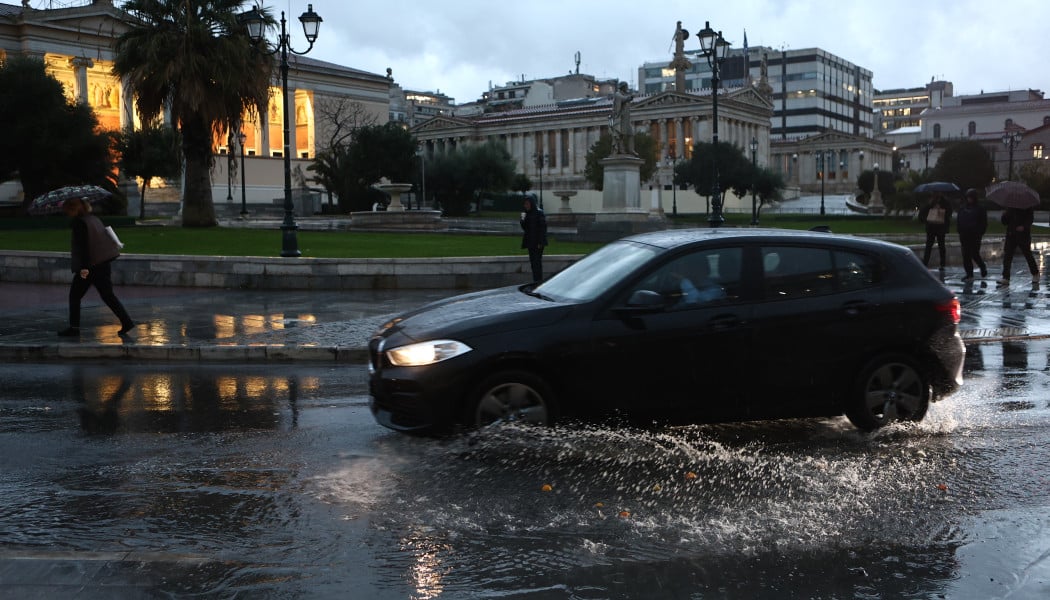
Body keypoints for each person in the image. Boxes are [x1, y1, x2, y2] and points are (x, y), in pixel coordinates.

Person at [58, 197, 135, 337]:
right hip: (103, 262)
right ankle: (127, 321)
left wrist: (84, 268)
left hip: (89, 266)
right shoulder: (94, 219)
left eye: (67, 209)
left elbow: (84, 247)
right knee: (107, 295)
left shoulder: (79, 223)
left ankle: (74, 328)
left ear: (72, 209)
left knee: (75, 296)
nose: (66, 213)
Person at [999, 205, 1039, 285]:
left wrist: (1023, 227)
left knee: (1027, 254)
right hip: (1011, 234)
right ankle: (1006, 277)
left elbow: (1030, 219)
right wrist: (1004, 215)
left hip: (1023, 235)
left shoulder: (1027, 206)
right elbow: (1005, 222)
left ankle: (1035, 273)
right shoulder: (1010, 207)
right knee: (1007, 256)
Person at [956, 188, 988, 280]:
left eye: (971, 197)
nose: (969, 199)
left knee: (974, 254)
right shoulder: (963, 208)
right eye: (968, 197)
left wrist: (980, 232)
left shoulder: (980, 209)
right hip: (964, 235)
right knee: (966, 255)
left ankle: (982, 266)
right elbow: (959, 220)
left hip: (975, 235)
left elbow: (983, 222)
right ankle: (969, 274)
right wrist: (960, 230)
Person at [919, 192, 951, 269]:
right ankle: (925, 262)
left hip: (941, 227)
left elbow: (949, 212)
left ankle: (942, 264)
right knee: (928, 246)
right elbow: (922, 214)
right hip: (931, 227)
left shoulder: (945, 202)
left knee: (941, 246)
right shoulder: (930, 202)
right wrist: (930, 205)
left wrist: (941, 209)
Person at [520, 197, 548, 283]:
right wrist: (522, 220)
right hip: (530, 242)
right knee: (533, 262)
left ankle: (538, 280)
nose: (526, 206)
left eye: (527, 204)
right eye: (525, 204)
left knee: (537, 262)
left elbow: (543, 228)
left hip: (537, 242)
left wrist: (540, 242)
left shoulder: (539, 213)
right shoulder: (527, 214)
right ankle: (535, 280)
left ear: (532, 204)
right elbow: (525, 228)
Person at [610, 82, 635, 155]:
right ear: (623, 87)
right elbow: (623, 99)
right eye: (626, 87)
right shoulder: (618, 94)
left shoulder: (624, 94)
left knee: (631, 134)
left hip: (626, 119)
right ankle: (621, 150)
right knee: (620, 135)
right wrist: (631, 97)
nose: (627, 88)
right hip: (620, 119)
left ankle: (631, 150)